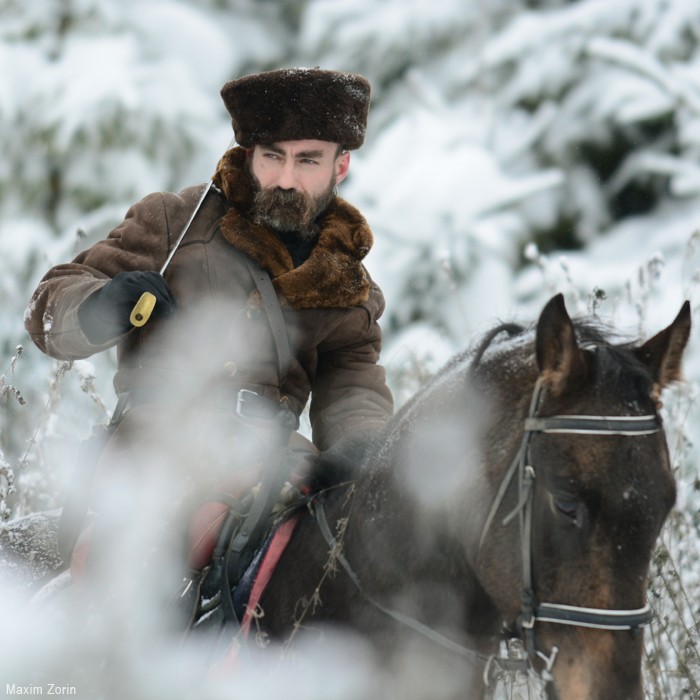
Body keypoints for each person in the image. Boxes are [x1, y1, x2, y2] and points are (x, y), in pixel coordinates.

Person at [24, 68, 394, 588]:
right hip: (152, 451)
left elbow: (354, 392)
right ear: (249, 155)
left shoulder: (346, 285)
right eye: (272, 156)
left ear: (342, 166)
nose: (287, 179)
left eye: (308, 160)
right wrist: (100, 304)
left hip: (274, 468)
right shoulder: (177, 222)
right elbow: (49, 305)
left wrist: (365, 452)